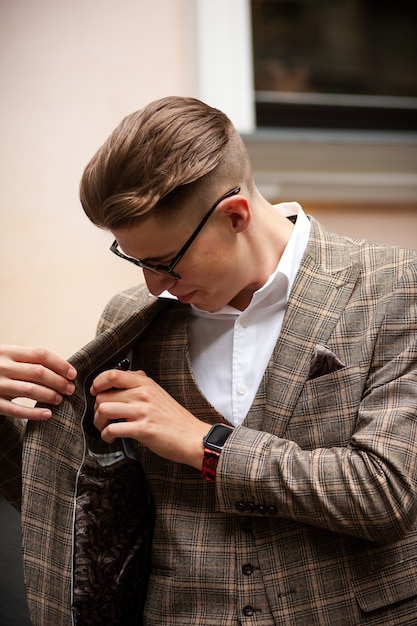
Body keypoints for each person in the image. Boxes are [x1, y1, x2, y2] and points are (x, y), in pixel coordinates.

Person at [1, 96, 417, 626]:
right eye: (134, 261)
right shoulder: (133, 320)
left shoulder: (396, 286)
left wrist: (205, 444)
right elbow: (78, 513)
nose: (153, 286)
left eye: (165, 262)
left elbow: (386, 494)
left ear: (235, 215)